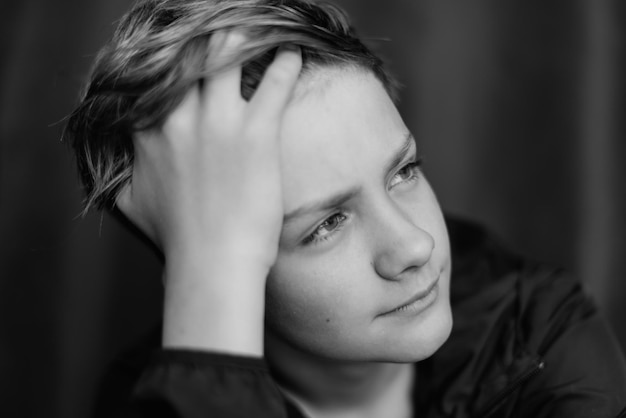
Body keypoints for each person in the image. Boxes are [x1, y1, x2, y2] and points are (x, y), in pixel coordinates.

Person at [64, 0, 626, 417]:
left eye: (403, 172)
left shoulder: (541, 347)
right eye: (327, 223)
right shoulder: (144, 399)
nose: (414, 247)